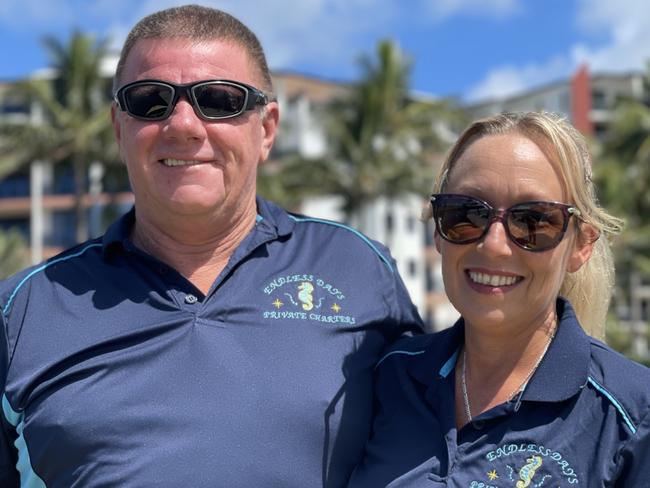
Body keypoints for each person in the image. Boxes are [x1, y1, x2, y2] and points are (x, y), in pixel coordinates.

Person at [0, 5, 422, 486]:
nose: (182, 124)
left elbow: (436, 441)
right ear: (119, 128)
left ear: (266, 129)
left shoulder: (358, 266)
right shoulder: (21, 311)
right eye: (149, 100)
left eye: (219, 100)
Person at [349, 111, 650, 487]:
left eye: (534, 221)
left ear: (581, 245)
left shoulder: (633, 416)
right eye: (465, 214)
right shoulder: (391, 377)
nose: (493, 246)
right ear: (438, 233)